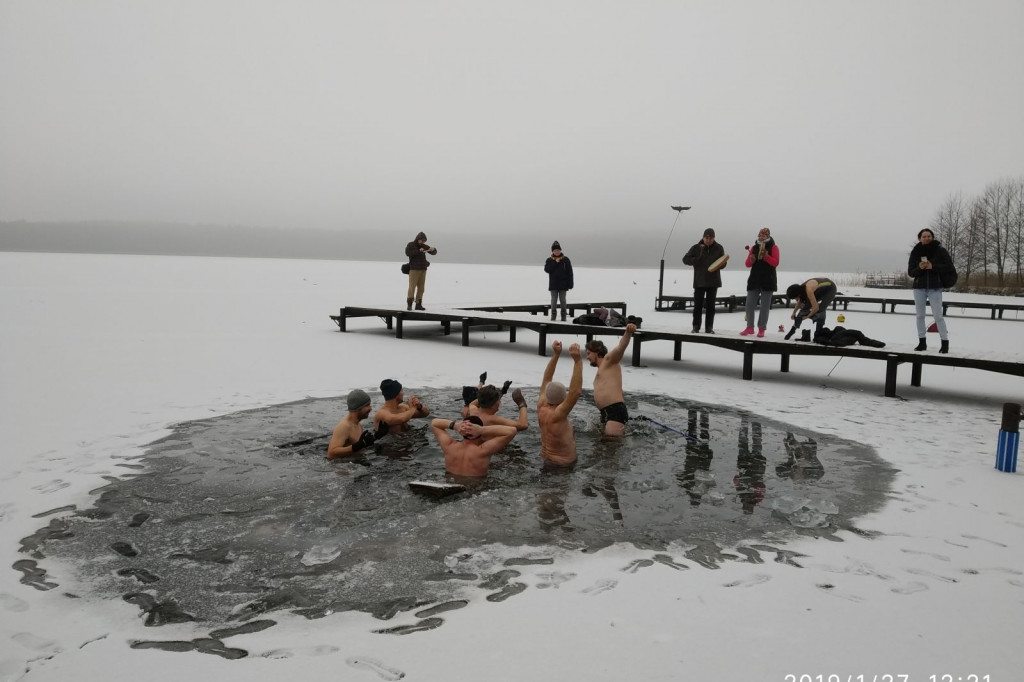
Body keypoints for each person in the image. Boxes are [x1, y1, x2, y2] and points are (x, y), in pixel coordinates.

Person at [537, 340, 584, 467]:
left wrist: (556, 354)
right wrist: (578, 361)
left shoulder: (541, 406)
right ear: (564, 399)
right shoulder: (558, 414)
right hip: (562, 466)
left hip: (545, 459)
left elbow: (546, 379)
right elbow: (575, 393)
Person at [585, 323, 636, 436]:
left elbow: (620, 347)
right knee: (603, 447)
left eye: (588, 353)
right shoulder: (603, 370)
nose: (587, 357)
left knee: (611, 445)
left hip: (615, 411)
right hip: (606, 412)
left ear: (597, 352)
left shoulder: (609, 360)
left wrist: (628, 332)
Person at [908, 228, 953, 353]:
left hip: (935, 288)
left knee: (938, 316)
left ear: (932, 237)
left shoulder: (940, 250)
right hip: (919, 288)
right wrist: (920, 268)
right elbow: (911, 272)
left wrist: (933, 266)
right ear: (919, 238)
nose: (926, 238)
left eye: (929, 236)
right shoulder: (915, 252)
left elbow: (949, 267)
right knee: (920, 316)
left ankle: (945, 343)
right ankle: (922, 342)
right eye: (924, 236)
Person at [430, 415, 517, 478]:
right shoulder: (483, 451)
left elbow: (434, 423)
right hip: (475, 490)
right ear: (479, 432)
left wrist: (455, 425)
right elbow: (512, 431)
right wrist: (482, 430)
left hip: (450, 483)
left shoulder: (449, 447)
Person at [682, 228, 726, 334]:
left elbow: (723, 263)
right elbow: (685, 259)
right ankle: (696, 326)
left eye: (710, 238)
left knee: (711, 307)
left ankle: (709, 327)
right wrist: (696, 259)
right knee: (698, 306)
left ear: (714, 238)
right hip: (699, 281)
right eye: (706, 237)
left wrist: (721, 264)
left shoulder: (719, 248)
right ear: (703, 237)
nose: (708, 240)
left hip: (713, 281)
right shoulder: (696, 247)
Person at [740, 227, 780, 337]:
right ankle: (749, 327)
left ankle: (761, 328)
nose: (761, 237)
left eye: (763, 235)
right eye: (760, 235)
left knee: (764, 306)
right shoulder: (754, 247)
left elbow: (775, 263)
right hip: (754, 279)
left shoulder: (774, 247)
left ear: (768, 236)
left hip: (768, 279)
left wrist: (766, 257)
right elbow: (747, 264)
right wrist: (751, 260)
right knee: (749, 304)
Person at [326, 389, 388, 459]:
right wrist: (360, 445)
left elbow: (360, 446)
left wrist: (377, 436)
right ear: (358, 408)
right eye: (367, 405)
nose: (371, 408)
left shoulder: (358, 424)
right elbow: (331, 453)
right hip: (343, 467)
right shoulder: (344, 426)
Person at [405, 232, 437, 311]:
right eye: (421, 240)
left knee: (421, 288)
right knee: (412, 287)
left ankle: (418, 304)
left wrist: (433, 249)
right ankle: (409, 304)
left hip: (423, 269)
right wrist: (419, 251)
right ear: (417, 239)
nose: (422, 242)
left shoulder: (424, 246)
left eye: (424, 240)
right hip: (414, 269)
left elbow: (434, 253)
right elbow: (408, 253)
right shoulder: (411, 244)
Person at [544, 241, 574, 321]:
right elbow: (547, 270)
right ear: (552, 251)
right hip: (553, 285)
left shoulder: (566, 260)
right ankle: (553, 316)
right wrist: (555, 262)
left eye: (558, 250)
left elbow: (570, 272)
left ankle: (563, 316)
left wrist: (570, 284)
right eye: (555, 250)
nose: (556, 252)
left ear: (560, 250)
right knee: (553, 301)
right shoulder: (549, 260)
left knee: (563, 300)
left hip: (563, 285)